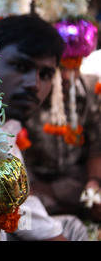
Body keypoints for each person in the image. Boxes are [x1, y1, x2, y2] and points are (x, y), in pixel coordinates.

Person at [0, 14, 89, 241]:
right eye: (21, 66)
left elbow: (19, 206)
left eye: (45, 75)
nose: (34, 84)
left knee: (71, 227)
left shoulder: (8, 125)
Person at [23, 58, 101, 222]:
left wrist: (93, 182)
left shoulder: (92, 88)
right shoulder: (30, 89)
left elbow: (96, 145)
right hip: (34, 181)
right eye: (60, 69)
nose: (66, 76)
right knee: (26, 215)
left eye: (73, 68)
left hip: (75, 178)